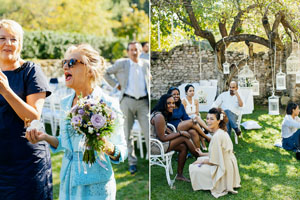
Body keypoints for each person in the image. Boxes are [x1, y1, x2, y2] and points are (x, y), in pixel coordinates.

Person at [26, 44, 127, 200]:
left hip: (96, 185)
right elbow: (63, 142)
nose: (66, 66)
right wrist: (44, 137)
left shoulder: (108, 103)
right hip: (68, 181)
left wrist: (106, 146)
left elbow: (122, 151)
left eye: (72, 62)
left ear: (89, 68)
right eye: (64, 63)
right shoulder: (65, 103)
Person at [0, 19, 52, 199]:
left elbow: (33, 117)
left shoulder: (31, 71)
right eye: (2, 38)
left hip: (27, 164)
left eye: (13, 39)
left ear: (20, 44)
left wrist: (6, 91)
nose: (8, 43)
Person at [104, 41, 149, 174]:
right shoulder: (122, 64)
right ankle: (132, 162)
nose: (134, 52)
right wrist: (116, 85)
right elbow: (105, 73)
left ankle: (152, 160)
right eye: (131, 50)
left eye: (136, 49)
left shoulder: (146, 65)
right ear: (128, 52)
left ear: (140, 51)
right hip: (127, 101)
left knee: (148, 132)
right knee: (127, 133)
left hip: (143, 103)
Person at [151, 94, 204, 182]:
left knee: (183, 147)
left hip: (159, 142)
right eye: (169, 103)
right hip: (155, 146)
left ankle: (180, 175)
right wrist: (180, 133)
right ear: (163, 104)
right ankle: (198, 156)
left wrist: (175, 134)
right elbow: (163, 138)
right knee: (184, 138)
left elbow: (165, 129)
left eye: (173, 103)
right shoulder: (159, 116)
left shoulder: (161, 114)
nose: (172, 105)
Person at [189, 108, 241, 198]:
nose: (208, 121)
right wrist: (202, 154)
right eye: (207, 118)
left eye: (211, 119)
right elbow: (219, 154)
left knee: (194, 167)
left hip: (224, 168)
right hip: (228, 164)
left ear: (218, 121)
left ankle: (214, 182)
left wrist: (202, 161)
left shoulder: (217, 136)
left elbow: (215, 161)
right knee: (199, 158)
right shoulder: (221, 132)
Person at [182, 84, 211, 150]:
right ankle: (207, 130)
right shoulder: (183, 101)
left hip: (195, 118)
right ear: (186, 92)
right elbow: (184, 114)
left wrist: (193, 114)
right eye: (190, 91)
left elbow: (197, 112)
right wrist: (193, 114)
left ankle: (203, 142)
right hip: (187, 119)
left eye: (193, 91)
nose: (192, 92)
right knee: (196, 118)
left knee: (197, 120)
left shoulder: (196, 101)